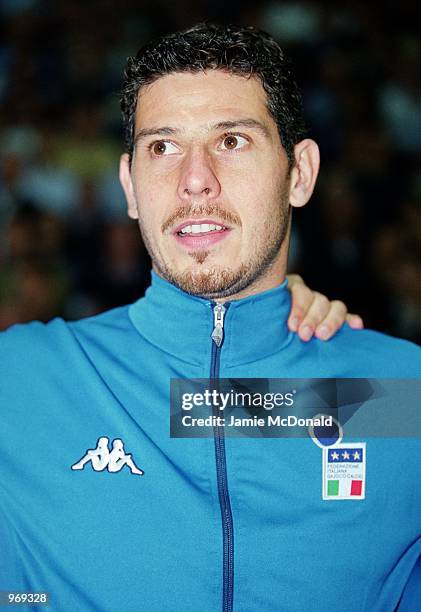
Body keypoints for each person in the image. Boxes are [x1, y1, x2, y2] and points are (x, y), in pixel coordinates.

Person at [0, 22, 420, 612]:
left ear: (299, 173)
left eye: (232, 141)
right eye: (163, 147)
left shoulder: (403, 393)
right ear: (129, 185)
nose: (195, 180)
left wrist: (277, 343)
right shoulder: (22, 381)